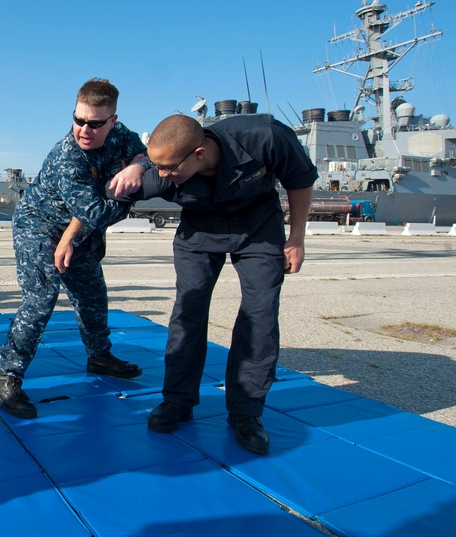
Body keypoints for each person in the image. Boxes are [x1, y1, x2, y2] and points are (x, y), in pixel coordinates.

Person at [71, 113, 317, 454]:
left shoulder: (266, 137)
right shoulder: (164, 174)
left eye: (169, 168)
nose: (164, 175)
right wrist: (72, 236)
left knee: (259, 315)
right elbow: (107, 199)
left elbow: (299, 180)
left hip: (258, 228)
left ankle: (246, 413)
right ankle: (178, 401)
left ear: (199, 153)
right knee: (188, 312)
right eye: (158, 168)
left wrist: (297, 238)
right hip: (199, 233)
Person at [0, 78, 149, 420]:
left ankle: (100, 356)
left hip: (77, 231)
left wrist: (138, 165)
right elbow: (94, 212)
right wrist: (128, 199)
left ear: (113, 121)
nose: (84, 130)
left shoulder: (124, 138)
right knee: (41, 296)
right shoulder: (68, 157)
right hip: (39, 223)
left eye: (95, 123)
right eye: (78, 120)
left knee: (92, 293)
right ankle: (8, 375)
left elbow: (146, 153)